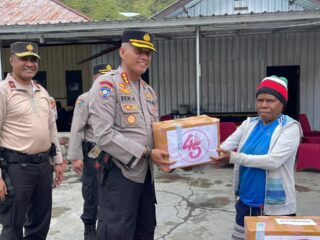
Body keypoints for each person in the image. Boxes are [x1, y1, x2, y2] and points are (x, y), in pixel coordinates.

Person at [88, 30, 175, 240]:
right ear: (122, 51)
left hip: (146, 175)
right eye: (139, 51)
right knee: (117, 231)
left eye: (148, 53)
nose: (144, 57)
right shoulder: (107, 85)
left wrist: (173, 156)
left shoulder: (148, 91)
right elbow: (103, 135)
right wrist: (147, 153)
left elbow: (155, 133)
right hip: (120, 173)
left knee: (145, 230)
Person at [211, 76, 302, 240]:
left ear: (282, 104)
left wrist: (233, 157)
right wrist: (195, 155)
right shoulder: (249, 124)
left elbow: (273, 161)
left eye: (270, 100)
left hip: (274, 206)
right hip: (245, 201)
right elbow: (224, 147)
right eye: (260, 100)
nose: (264, 105)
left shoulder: (289, 127)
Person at [0, 42, 64, 239]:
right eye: (24, 59)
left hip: (43, 167)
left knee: (40, 223)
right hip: (16, 168)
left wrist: (58, 160)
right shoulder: (3, 91)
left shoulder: (41, 91)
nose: (30, 63)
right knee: (13, 225)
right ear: (11, 60)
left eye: (33, 59)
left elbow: (51, 128)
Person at [67, 63, 113, 240]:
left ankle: (107, 226)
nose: (105, 80)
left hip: (114, 152)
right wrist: (75, 157)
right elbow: (76, 129)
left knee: (112, 190)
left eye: (109, 76)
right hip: (93, 151)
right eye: (101, 76)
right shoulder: (84, 99)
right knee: (91, 189)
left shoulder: (115, 97)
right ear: (94, 78)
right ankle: (89, 227)